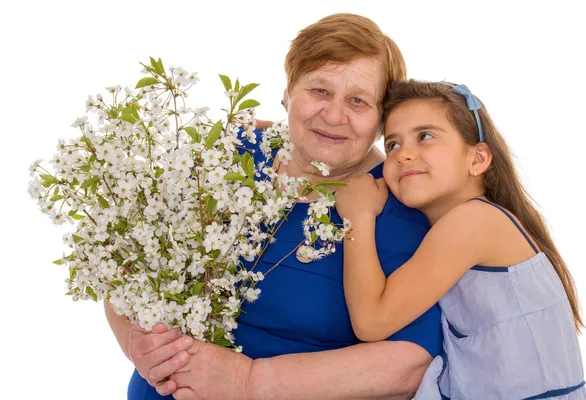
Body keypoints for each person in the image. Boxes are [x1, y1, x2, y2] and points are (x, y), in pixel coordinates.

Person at [105, 14, 443, 399]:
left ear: (382, 119)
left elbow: (411, 363)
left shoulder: (394, 202)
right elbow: (124, 261)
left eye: (358, 101)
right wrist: (136, 341)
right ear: (287, 92)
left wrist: (248, 382)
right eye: (319, 90)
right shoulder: (228, 153)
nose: (334, 116)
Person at [334, 79, 586, 399]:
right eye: (393, 145)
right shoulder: (470, 223)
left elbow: (371, 321)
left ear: (478, 159)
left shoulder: (474, 222)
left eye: (425, 136)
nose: (402, 155)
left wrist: (356, 216)